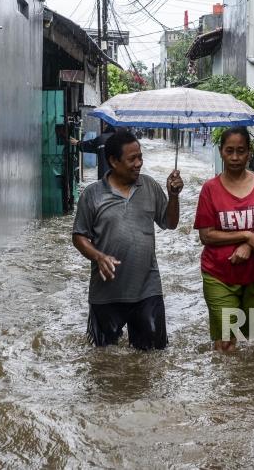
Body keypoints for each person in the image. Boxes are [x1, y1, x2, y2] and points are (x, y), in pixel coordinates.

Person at [72, 131, 184, 350]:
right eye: (132, 159)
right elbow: (79, 236)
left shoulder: (150, 186)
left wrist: (173, 196)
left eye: (140, 157)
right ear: (113, 161)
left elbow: (170, 223)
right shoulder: (92, 194)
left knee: (153, 357)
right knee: (104, 359)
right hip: (106, 293)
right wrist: (98, 256)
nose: (138, 163)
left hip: (147, 289)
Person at [193, 127, 254, 351]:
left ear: (249, 154)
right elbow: (206, 235)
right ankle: (226, 385)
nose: (235, 157)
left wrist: (249, 246)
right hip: (219, 275)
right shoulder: (210, 189)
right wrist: (246, 235)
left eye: (241, 151)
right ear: (221, 152)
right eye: (229, 151)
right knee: (227, 342)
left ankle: (252, 386)